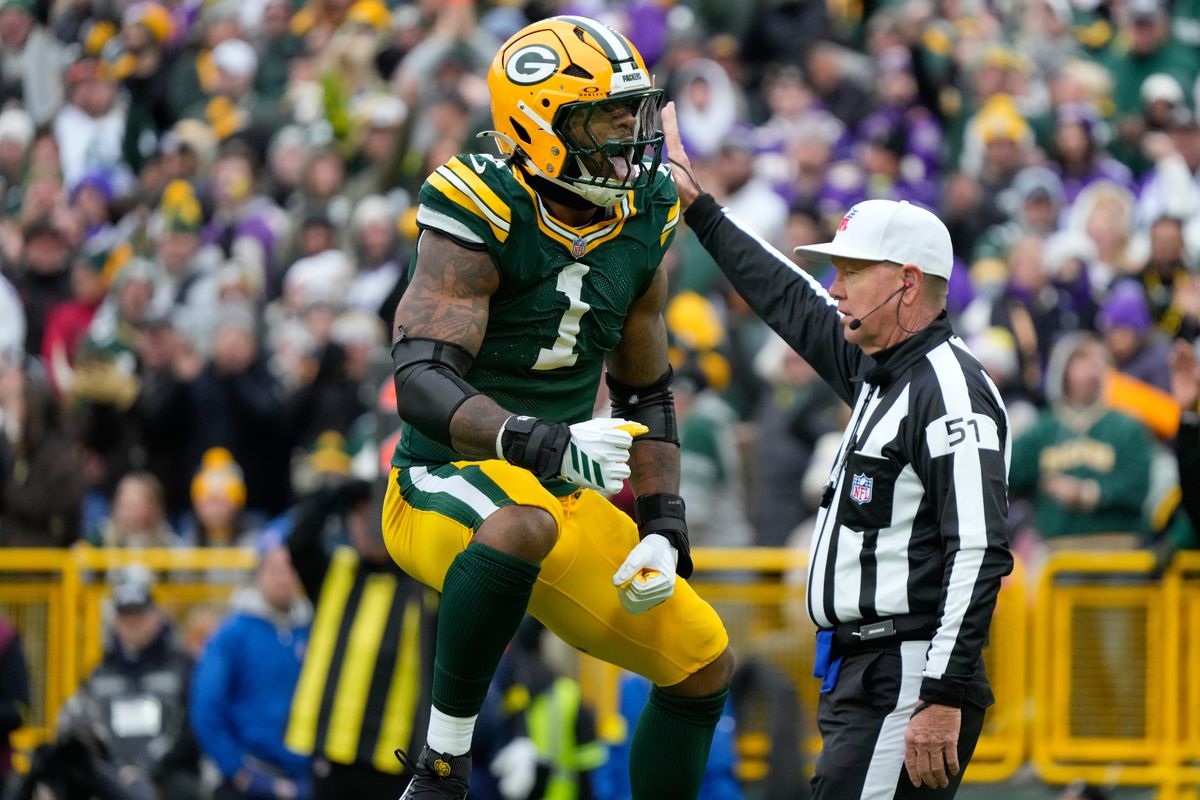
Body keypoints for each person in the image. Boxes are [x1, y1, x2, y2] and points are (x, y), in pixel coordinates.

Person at [382, 16, 733, 799]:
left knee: (703, 659)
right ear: (540, 127)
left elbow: (646, 387)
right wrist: (534, 440)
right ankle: (441, 770)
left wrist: (664, 523)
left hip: (557, 489)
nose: (631, 137)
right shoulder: (483, 202)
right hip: (441, 481)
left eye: (634, 113)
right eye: (607, 119)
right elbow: (422, 380)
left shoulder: (644, 212)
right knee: (521, 523)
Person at [662, 103, 1012, 798]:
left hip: (906, 672)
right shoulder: (879, 368)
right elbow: (789, 299)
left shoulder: (949, 387)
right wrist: (700, 209)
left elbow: (978, 548)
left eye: (852, 270)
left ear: (907, 282)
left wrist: (941, 692)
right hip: (864, 670)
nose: (836, 287)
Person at [283, 478, 437, 800]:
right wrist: (333, 492)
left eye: (375, 515)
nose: (366, 526)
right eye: (359, 515)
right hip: (331, 747)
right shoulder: (336, 570)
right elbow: (296, 542)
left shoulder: (423, 582)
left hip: (392, 756)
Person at [19, 565, 200, 800]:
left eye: (139, 614)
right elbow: (81, 723)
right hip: (111, 777)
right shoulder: (99, 674)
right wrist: (113, 771)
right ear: (115, 620)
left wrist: (146, 771)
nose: (133, 623)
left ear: (156, 616)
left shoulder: (182, 668)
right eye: (126, 616)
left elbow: (190, 729)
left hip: (167, 776)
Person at [190, 537, 313, 800]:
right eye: (275, 570)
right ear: (259, 574)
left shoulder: (313, 629)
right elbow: (206, 706)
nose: (283, 578)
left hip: (305, 774)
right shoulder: (233, 633)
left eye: (290, 569)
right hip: (251, 773)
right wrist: (237, 770)